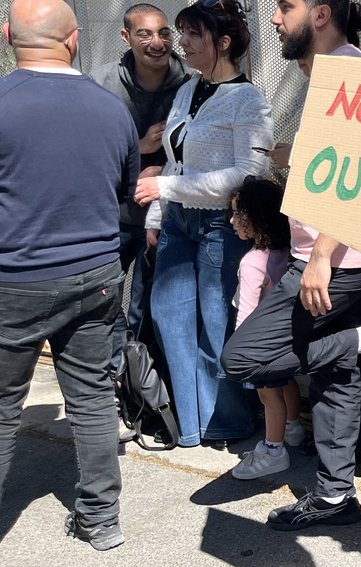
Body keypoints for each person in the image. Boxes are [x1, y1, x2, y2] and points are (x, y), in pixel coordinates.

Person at [221, 0, 361, 531]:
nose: (275, 18)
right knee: (334, 377)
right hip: (329, 257)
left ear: (321, 13)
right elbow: (338, 167)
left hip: (334, 263)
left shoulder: (351, 74)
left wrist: (321, 256)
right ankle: (333, 496)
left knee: (243, 359)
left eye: (286, 7)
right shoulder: (327, 75)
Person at [0, 0, 140, 551]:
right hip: (97, 274)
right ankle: (101, 519)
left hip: (15, 278)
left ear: (8, 34)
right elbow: (124, 188)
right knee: (90, 398)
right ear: (75, 40)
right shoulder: (111, 109)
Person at [133, 0, 273, 449]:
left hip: (220, 225)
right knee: (169, 319)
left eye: (193, 34)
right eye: (182, 33)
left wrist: (164, 193)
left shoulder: (249, 99)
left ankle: (226, 421)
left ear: (223, 42)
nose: (183, 43)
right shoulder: (186, 91)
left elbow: (245, 177)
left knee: (217, 325)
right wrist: (158, 216)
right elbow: (173, 163)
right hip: (176, 224)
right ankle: (190, 425)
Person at [90, 3, 189, 393]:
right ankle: (111, 383)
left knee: (150, 308)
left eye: (163, 33)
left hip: (166, 219)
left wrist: (160, 169)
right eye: (145, 33)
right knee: (105, 304)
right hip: (110, 216)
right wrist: (140, 148)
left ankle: (145, 388)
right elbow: (85, 151)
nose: (156, 42)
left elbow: (199, 152)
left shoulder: (190, 83)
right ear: (126, 37)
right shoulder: (100, 84)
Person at [226, 177, 308, 479]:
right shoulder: (290, 252)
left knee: (267, 395)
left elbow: (246, 313)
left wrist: (240, 350)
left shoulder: (252, 262)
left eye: (238, 214)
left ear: (256, 218)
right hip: (284, 336)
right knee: (286, 384)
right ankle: (293, 428)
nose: (232, 220)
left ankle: (274, 449)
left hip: (259, 343)